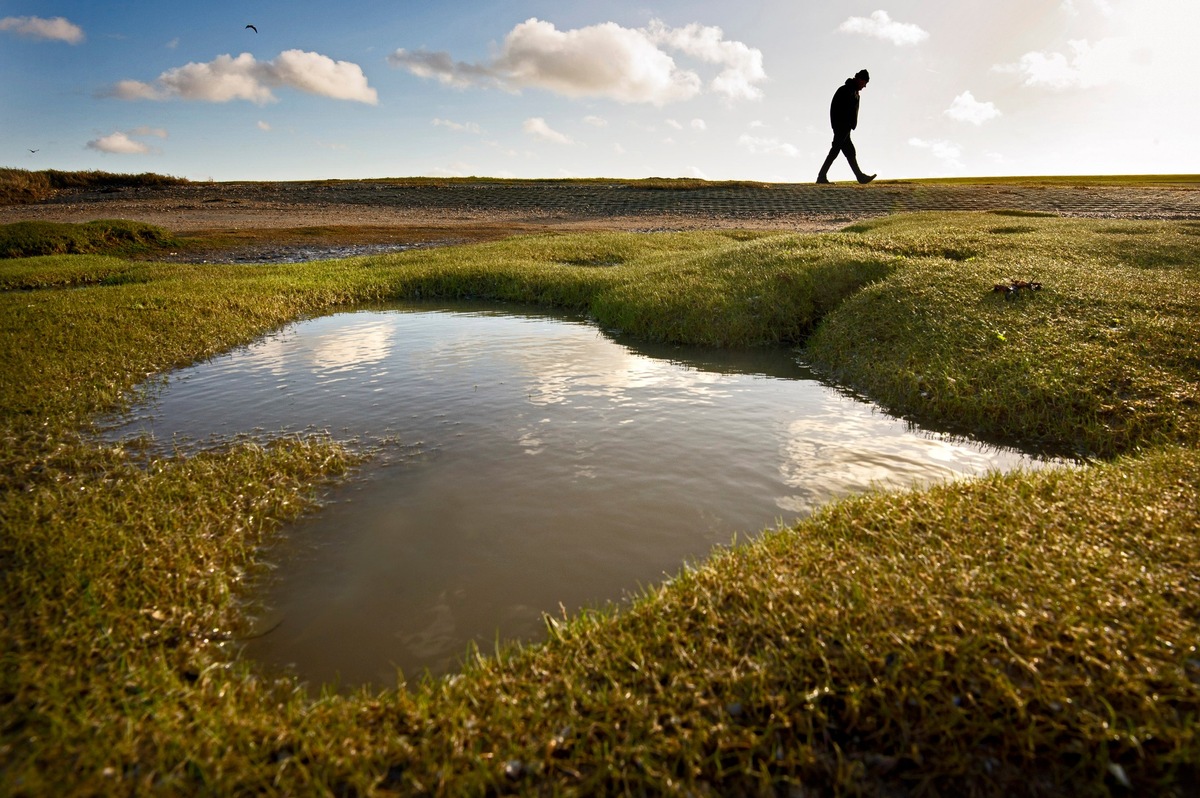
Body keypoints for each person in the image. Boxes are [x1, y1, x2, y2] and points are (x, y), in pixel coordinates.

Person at [816, 69, 876, 185]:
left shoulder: (854, 92)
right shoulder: (845, 90)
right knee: (835, 150)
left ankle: (860, 177)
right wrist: (839, 126)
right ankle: (821, 176)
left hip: (846, 128)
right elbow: (835, 109)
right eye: (865, 83)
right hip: (841, 127)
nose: (865, 86)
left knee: (849, 151)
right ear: (859, 79)